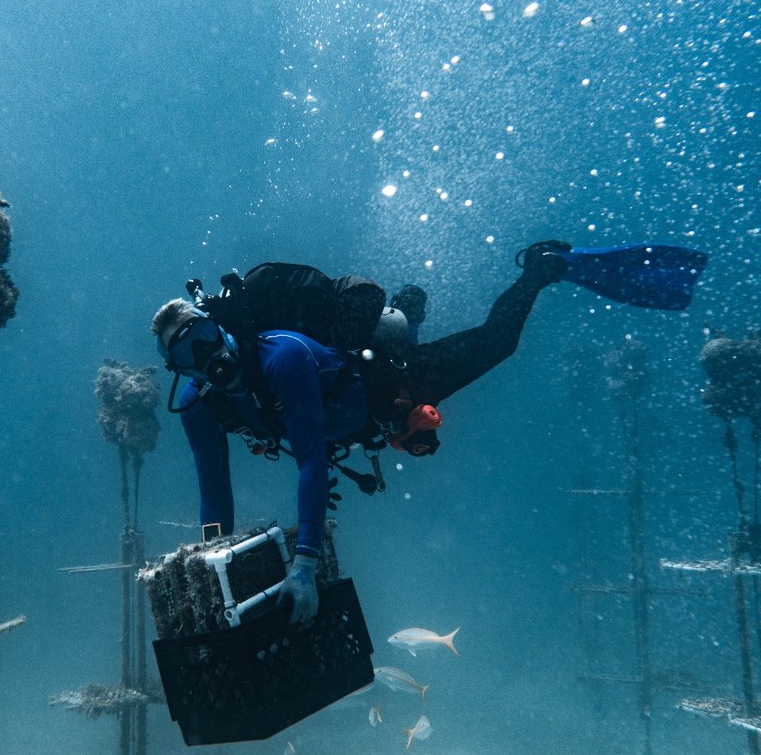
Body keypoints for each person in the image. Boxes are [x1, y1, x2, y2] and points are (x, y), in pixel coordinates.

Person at [151, 242, 570, 626]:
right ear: (180, 371)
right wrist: (215, 562)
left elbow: (312, 459)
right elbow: (214, 490)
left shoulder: (283, 355)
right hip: (344, 426)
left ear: (220, 328)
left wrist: (304, 565)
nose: (209, 358)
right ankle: (408, 314)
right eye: (188, 355)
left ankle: (536, 270)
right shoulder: (200, 405)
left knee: (497, 344)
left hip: (385, 391)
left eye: (205, 339)